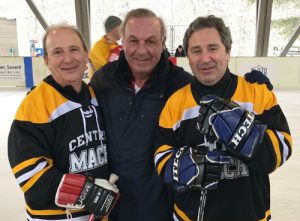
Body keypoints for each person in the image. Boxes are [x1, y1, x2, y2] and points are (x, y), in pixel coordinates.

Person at [154, 15, 292, 221]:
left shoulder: (257, 94)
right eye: (196, 51)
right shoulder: (175, 104)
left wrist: (247, 137)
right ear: (188, 57)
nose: (205, 58)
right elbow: (160, 153)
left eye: (213, 48)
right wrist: (178, 167)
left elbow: (284, 146)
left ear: (227, 51)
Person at [8, 24, 119, 221]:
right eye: (58, 52)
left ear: (86, 54)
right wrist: (89, 193)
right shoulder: (34, 106)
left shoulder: (95, 97)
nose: (68, 59)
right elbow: (30, 177)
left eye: (74, 49)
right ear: (47, 61)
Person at [90, 8, 193, 221]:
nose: (141, 50)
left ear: (163, 43)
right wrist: (51, 92)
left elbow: (216, 100)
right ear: (123, 43)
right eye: (133, 41)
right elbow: (77, 112)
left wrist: (251, 87)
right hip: (112, 211)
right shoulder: (103, 81)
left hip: (160, 211)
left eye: (151, 41)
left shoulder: (181, 86)